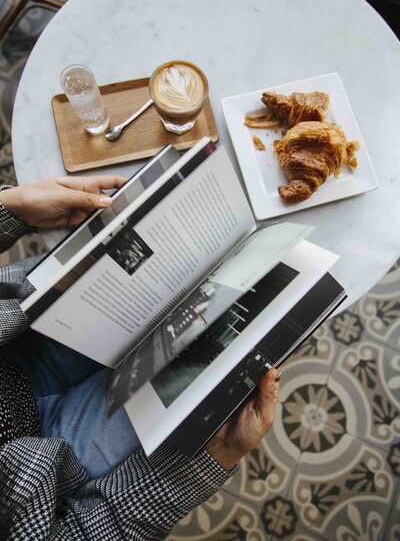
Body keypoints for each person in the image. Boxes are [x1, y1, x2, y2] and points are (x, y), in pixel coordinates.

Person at [0, 176, 280, 540]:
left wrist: (9, 207)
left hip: (18, 333)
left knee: (178, 268)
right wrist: (214, 459)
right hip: (43, 460)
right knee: (218, 347)